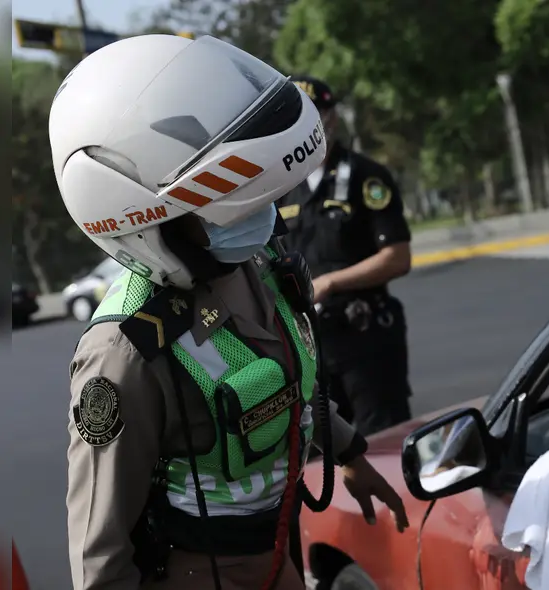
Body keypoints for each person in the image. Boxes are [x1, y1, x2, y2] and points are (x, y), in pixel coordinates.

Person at [53, 35, 408, 590]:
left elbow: (293, 382)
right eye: (226, 202)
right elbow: (99, 552)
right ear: (137, 211)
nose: (257, 211)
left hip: (276, 556)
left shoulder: (254, 262)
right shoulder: (123, 354)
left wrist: (349, 453)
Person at [277, 75, 414, 437]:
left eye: (315, 115)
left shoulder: (366, 177)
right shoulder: (278, 188)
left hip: (364, 340)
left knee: (385, 443)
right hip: (308, 347)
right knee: (321, 457)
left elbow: (398, 258)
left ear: (332, 117)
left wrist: (332, 282)